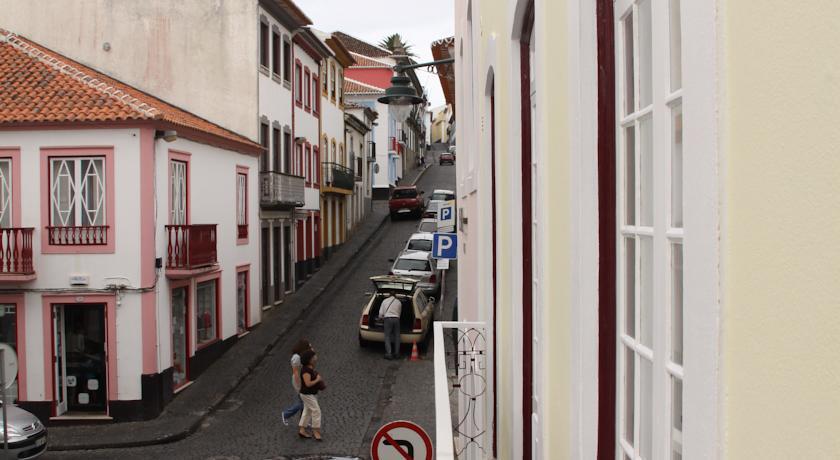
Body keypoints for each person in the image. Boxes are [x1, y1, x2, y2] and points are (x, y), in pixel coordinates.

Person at [281, 339, 311, 425]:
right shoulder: (296, 358)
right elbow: (296, 372)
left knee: (303, 401)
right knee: (303, 402)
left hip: (302, 379)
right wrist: (300, 384)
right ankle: (286, 414)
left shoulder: (300, 356)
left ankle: (303, 421)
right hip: (299, 380)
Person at [298, 350, 324, 441]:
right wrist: (317, 379)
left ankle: (302, 429)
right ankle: (316, 431)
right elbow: (308, 383)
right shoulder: (306, 370)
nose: (316, 357)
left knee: (307, 411)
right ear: (309, 359)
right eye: (314, 356)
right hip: (307, 394)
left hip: (309, 394)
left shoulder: (309, 368)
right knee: (316, 411)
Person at [379, 292, 402, 360]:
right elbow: (399, 313)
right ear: (395, 295)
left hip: (388, 319)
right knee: (397, 336)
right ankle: (397, 353)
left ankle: (389, 354)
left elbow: (380, 314)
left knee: (387, 336)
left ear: (389, 295)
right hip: (396, 319)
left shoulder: (384, 301)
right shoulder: (399, 302)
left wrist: (381, 318)